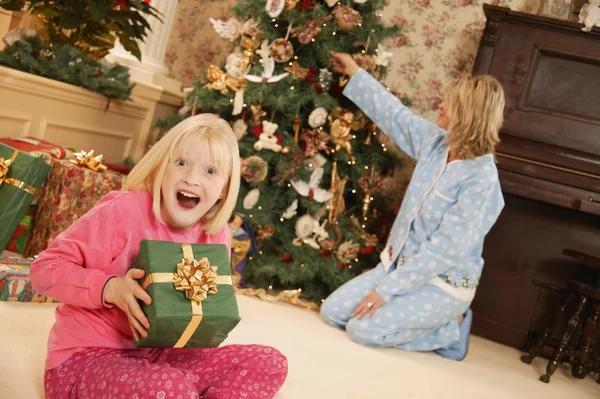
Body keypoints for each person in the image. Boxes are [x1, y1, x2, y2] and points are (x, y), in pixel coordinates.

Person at [30, 114, 288, 398]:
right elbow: (44, 270)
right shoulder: (121, 212)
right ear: (161, 168)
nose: (191, 178)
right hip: (87, 359)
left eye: (210, 171)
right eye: (181, 163)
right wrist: (109, 288)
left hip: (165, 358)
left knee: (269, 362)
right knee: (171, 388)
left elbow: (199, 312)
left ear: (223, 190)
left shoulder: (217, 235)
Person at [320, 52, 506, 361]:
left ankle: (450, 327)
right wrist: (354, 72)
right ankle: (419, 314)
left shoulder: (482, 180)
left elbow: (444, 250)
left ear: (468, 114)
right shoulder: (436, 143)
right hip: (398, 268)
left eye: (450, 103)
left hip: (442, 286)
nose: (441, 106)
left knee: (362, 330)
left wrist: (386, 291)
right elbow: (395, 115)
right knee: (333, 312)